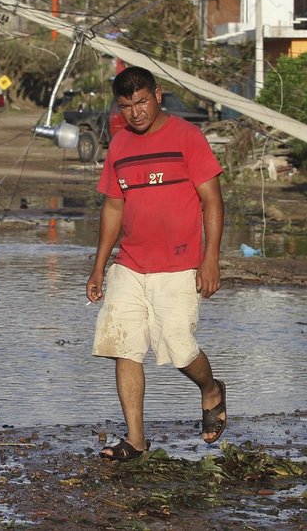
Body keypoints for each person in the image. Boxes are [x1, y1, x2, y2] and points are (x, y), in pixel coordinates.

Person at [85, 65, 226, 461]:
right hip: (129, 265)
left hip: (180, 266)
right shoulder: (119, 145)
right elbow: (113, 206)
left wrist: (210, 258)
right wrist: (98, 267)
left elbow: (213, 200)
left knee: (179, 349)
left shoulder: (187, 137)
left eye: (142, 101)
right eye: (126, 105)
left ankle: (211, 390)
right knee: (124, 346)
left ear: (158, 95)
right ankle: (136, 440)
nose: (136, 112)